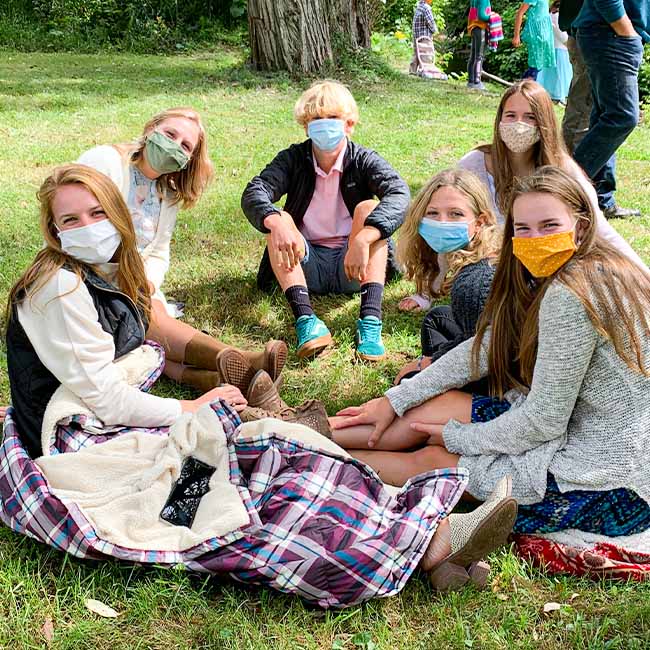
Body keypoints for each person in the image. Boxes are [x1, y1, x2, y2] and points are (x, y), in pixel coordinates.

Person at [1, 164, 517, 603]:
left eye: (97, 214)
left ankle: (429, 551)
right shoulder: (60, 286)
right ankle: (432, 542)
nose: (88, 227)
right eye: (71, 219)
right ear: (53, 229)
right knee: (231, 482)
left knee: (253, 465)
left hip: (103, 425)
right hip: (81, 440)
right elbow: (104, 400)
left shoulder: (99, 269)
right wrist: (191, 409)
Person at [331, 166, 650, 541]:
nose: (534, 239)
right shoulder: (587, 268)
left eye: (549, 226)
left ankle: (307, 454)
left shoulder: (570, 294)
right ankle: (300, 430)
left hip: (608, 477)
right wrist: (394, 399)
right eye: (523, 228)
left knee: (434, 458)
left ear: (580, 227)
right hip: (575, 431)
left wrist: (458, 438)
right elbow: (485, 347)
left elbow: (543, 422)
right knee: (433, 407)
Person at [77, 108, 288, 394]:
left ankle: (220, 380)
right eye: (169, 134)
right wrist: (126, 283)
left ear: (188, 159)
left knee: (150, 330)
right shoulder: (106, 162)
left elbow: (159, 251)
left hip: (133, 283)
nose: (175, 145)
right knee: (149, 318)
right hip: (86, 276)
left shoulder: (169, 193)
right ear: (151, 129)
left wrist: (147, 281)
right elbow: (77, 230)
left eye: (185, 145)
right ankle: (243, 361)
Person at [241, 81, 410, 361]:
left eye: (332, 118)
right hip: (307, 265)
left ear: (349, 124)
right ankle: (306, 320)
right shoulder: (293, 159)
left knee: (369, 210)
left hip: (355, 265)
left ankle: (370, 323)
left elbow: (399, 193)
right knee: (278, 218)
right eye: (316, 119)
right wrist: (275, 219)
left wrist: (364, 238)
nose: (324, 125)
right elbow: (255, 191)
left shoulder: (363, 159)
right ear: (305, 126)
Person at [456, 80, 648, 272]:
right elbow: (449, 220)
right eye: (511, 115)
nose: (519, 124)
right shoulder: (474, 164)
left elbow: (599, 228)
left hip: (551, 263)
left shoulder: (564, 169)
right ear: (500, 120)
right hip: (493, 266)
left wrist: (643, 275)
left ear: (543, 123)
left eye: (530, 117)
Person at [394, 169, 501, 384]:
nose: (442, 222)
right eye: (433, 213)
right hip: (482, 342)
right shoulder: (470, 255)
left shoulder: (475, 281)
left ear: (480, 222)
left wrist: (426, 365)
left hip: (496, 374)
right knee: (437, 319)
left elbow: (479, 355)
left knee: (409, 381)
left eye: (456, 214)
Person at [572, 0, 648, 219]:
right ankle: (563, 184)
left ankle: (601, 200)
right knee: (622, 116)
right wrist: (627, 32)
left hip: (610, 33)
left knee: (604, 117)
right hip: (610, 33)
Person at [559, 0, 592, 153]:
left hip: (581, 31)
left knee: (585, 104)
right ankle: (568, 162)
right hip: (588, 34)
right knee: (584, 104)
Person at [538, 1, 573, 104]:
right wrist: (569, 43)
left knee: (553, 75)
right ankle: (558, 96)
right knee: (559, 75)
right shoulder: (556, 16)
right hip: (559, 48)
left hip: (553, 48)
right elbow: (561, 35)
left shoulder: (550, 15)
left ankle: (554, 96)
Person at [513, 0, 556, 80]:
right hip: (535, 34)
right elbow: (520, 13)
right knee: (535, 64)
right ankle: (525, 88)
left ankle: (523, 86)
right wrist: (516, 35)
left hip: (544, 34)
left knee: (539, 65)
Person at [467, 0, 492, 90]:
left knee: (473, 55)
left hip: (473, 27)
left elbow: (473, 13)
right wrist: (492, 16)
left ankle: (470, 80)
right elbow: (482, 16)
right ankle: (477, 82)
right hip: (481, 28)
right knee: (479, 56)